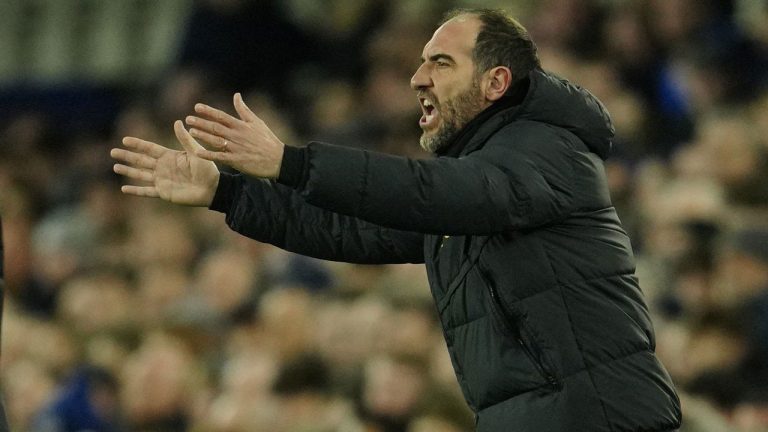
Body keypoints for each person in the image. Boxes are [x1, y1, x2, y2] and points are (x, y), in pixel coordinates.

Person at [111, 8, 682, 431]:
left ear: (496, 83)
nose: (417, 78)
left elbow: (438, 192)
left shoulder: (547, 148)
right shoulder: (470, 179)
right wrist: (226, 193)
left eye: (440, 62)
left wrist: (289, 162)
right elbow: (348, 228)